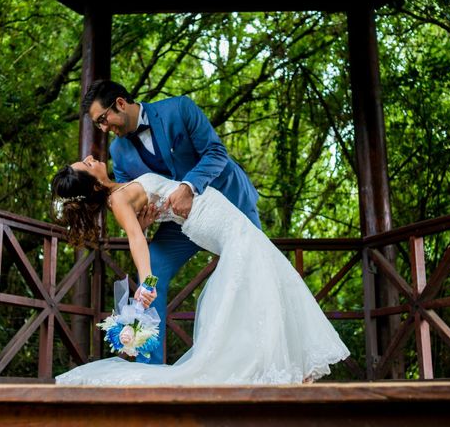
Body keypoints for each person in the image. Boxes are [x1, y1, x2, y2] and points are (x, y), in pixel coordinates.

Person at [51, 157, 350, 385]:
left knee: (264, 274)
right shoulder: (116, 199)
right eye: (87, 164)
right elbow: (135, 239)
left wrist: (148, 218)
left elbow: (140, 226)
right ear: (93, 184)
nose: (92, 158)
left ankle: (290, 367)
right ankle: (283, 369)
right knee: (262, 271)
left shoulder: (121, 191)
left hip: (212, 213)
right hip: (208, 217)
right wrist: (146, 282)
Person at [81, 79, 261, 365]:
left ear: (120, 103)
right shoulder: (118, 152)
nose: (103, 128)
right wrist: (143, 222)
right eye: (98, 124)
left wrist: (189, 186)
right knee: (152, 271)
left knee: (259, 275)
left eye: (103, 119)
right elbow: (132, 199)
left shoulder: (179, 109)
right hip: (180, 226)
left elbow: (216, 153)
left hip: (230, 204)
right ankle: (149, 369)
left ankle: (262, 358)